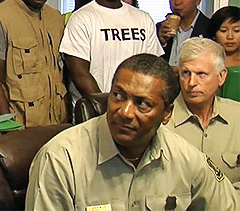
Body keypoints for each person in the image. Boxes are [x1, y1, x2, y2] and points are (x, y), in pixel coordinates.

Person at [26, 53, 240, 210]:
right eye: (118, 96)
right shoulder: (61, 159)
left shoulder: (185, 157)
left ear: (167, 114)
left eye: (142, 104)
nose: (125, 112)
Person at [60, 0, 163, 102]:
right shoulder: (81, 18)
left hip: (137, 109)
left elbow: (154, 67)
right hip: (95, 112)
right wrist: (108, 106)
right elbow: (80, 74)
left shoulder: (143, 19)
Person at [165, 37, 240, 192]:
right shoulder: (162, 120)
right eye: (186, 73)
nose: (191, 82)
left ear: (221, 76)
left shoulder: (237, 116)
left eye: (201, 74)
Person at [156, 0, 212, 66]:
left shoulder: (210, 28)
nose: (177, 2)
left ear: (198, 0)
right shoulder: (161, 27)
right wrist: (161, 42)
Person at [208, 6, 240, 101]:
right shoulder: (205, 62)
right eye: (223, 31)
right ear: (214, 34)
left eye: (236, 31)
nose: (230, 36)